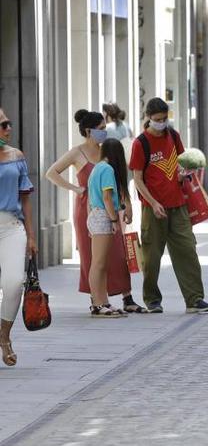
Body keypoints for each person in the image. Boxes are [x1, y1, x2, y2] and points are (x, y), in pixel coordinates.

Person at [46, 110, 142, 314]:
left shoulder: (106, 151)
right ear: (88, 131)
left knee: (118, 253)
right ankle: (97, 300)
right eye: (100, 129)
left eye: (105, 129)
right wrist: (76, 188)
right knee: (92, 257)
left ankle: (126, 296)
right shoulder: (76, 152)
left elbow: (120, 179)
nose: (104, 133)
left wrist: (128, 204)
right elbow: (51, 173)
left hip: (111, 209)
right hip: (88, 210)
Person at [130, 97, 208, 314]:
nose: (162, 123)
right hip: (153, 208)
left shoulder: (173, 135)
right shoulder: (141, 143)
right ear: (148, 118)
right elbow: (137, 179)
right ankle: (152, 299)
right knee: (152, 257)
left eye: (165, 118)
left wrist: (185, 172)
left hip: (178, 205)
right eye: (157, 119)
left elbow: (182, 162)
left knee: (187, 250)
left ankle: (195, 299)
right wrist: (153, 202)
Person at [0, 107, 36, 367]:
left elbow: (25, 199)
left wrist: (32, 236)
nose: (8, 128)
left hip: (12, 227)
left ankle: (4, 336)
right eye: (3, 125)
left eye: (8, 123)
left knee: (14, 283)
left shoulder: (17, 156)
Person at [87, 139, 132, 317]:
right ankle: (97, 304)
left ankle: (103, 301)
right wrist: (114, 220)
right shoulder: (107, 169)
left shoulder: (98, 167)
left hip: (97, 215)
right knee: (98, 264)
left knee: (102, 264)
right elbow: (107, 198)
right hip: (102, 217)